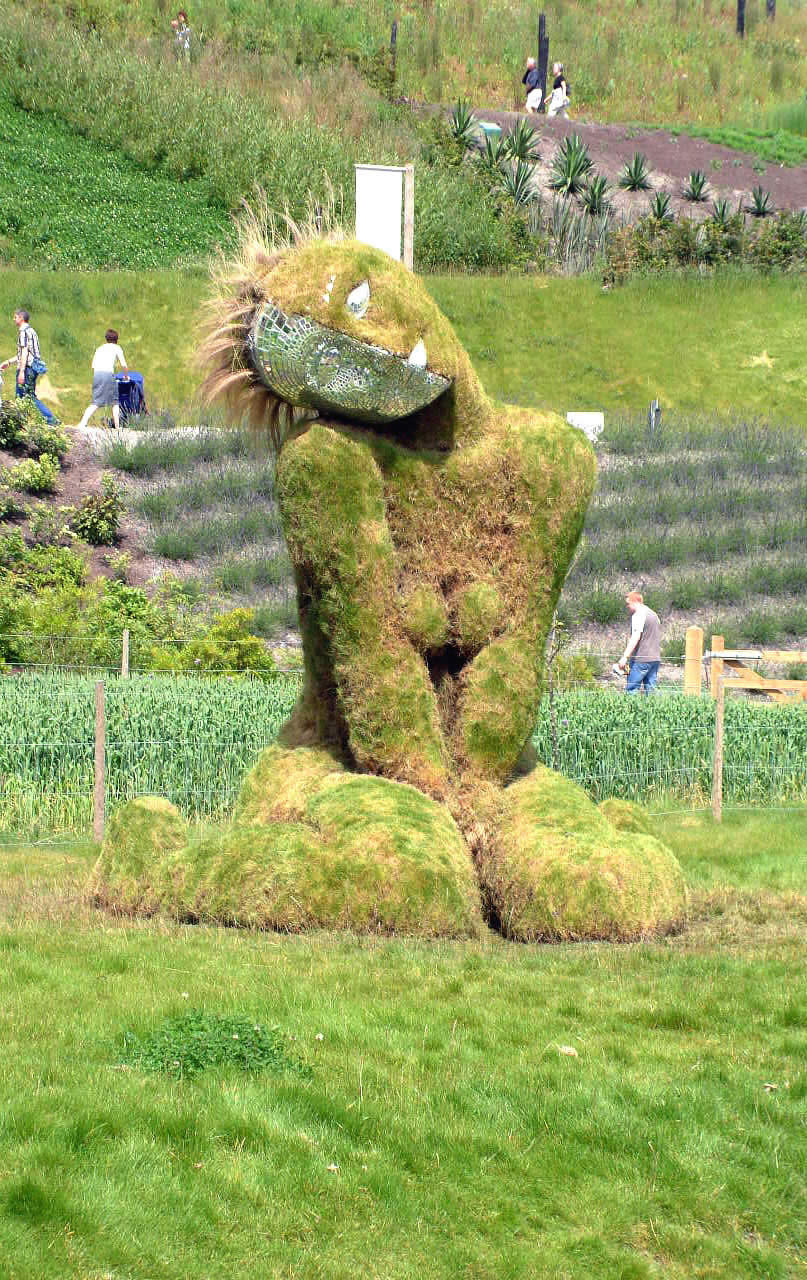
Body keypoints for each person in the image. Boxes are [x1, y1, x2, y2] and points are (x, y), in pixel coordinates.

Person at [0, 310, 59, 424]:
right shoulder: (31, 331)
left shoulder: (23, 331)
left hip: (27, 369)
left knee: (27, 397)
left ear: (21, 318)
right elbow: (24, 353)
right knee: (22, 397)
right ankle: (22, 422)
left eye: (15, 317)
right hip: (32, 368)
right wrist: (8, 362)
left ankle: (51, 420)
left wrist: (21, 371)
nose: (14, 319)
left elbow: (25, 352)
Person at [76, 329, 129, 431]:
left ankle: (83, 423)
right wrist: (126, 377)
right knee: (115, 402)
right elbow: (124, 365)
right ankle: (117, 427)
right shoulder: (117, 348)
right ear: (116, 339)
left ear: (106, 338)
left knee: (96, 401)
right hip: (108, 374)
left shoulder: (99, 348)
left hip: (97, 374)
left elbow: (93, 366)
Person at [617, 591, 661, 694]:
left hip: (641, 659)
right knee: (651, 691)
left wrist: (625, 657)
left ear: (636, 601)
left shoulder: (638, 615)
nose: (627, 606)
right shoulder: (654, 614)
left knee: (631, 690)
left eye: (628, 603)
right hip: (655, 659)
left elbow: (636, 636)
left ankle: (630, 709)